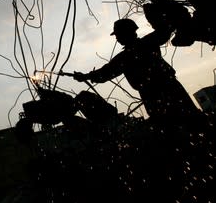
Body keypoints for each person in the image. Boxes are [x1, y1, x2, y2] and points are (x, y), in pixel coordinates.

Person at [69, 18, 202, 127]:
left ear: (125, 34)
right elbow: (166, 29)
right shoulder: (149, 42)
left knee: (172, 126)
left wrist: (85, 76)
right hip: (170, 88)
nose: (117, 38)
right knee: (190, 120)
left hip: (154, 94)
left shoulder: (126, 57)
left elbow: (105, 73)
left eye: (118, 35)